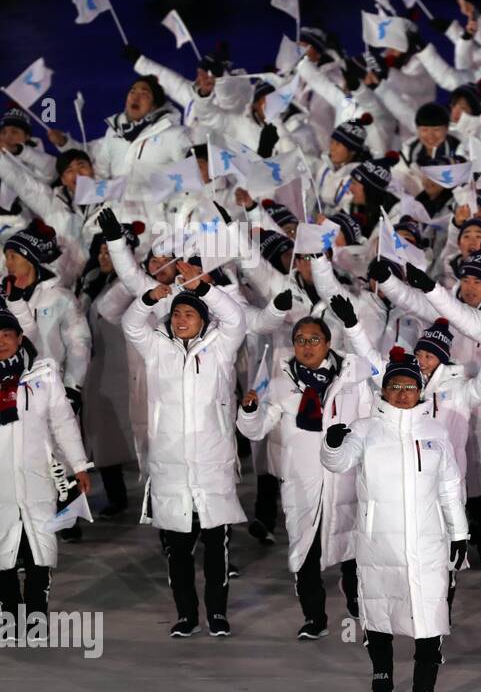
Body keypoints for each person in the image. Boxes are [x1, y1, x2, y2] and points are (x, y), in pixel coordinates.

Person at [320, 348, 469, 692]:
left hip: (428, 541)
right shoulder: (365, 429)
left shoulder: (435, 431)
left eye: (410, 387)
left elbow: (450, 487)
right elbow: (338, 463)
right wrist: (332, 443)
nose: (403, 394)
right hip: (379, 541)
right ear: (384, 391)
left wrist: (459, 533)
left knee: (431, 613)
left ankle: (424, 690)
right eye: (395, 386)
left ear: (420, 390)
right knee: (380, 609)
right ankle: (382, 670)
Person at [237, 297, 377, 638]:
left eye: (314, 339)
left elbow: (369, 423)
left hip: (344, 480)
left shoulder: (351, 379)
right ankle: (314, 618)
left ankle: (358, 603)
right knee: (305, 552)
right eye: (300, 340)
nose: (307, 346)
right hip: (302, 482)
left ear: (328, 343)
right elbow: (255, 430)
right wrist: (250, 411)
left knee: (352, 548)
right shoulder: (280, 384)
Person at [121, 272, 248, 638]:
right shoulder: (157, 347)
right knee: (177, 552)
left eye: (189, 314)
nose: (181, 319)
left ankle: (218, 614)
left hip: (211, 465)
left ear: (203, 319)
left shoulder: (220, 348)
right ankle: (186, 616)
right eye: (176, 313)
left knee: (216, 550)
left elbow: (236, 318)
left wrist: (203, 288)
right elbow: (131, 325)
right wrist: (148, 298)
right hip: (171, 467)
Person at [0, 307, 92, 632]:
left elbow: (63, 422)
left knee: (41, 549)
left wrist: (79, 465)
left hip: (38, 479)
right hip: (2, 483)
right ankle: (9, 615)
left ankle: (36, 616)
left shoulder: (43, 375)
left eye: (7, 335)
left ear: (19, 338)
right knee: (2, 551)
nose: (1, 342)